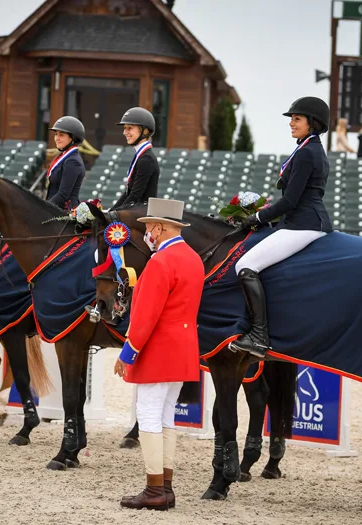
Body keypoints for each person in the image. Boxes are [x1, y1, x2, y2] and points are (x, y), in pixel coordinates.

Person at [114, 198, 203, 510]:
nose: (146, 233)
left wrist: (128, 353)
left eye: (149, 227)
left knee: (149, 414)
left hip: (158, 348)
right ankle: (165, 486)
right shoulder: (192, 258)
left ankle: (154, 490)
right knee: (166, 416)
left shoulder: (160, 262)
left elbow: (145, 315)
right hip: (183, 347)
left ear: (162, 228)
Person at [230, 97, 333, 358]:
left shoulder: (308, 152)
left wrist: (257, 219)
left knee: (245, 265)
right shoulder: (307, 149)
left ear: (313, 123)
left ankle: (258, 336)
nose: (291, 123)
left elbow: (290, 201)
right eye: (291, 118)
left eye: (297, 119)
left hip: (304, 224)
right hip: (299, 221)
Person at [111, 107, 160, 210]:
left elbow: (135, 196)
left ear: (145, 131)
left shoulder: (146, 159)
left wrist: (113, 216)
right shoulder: (141, 156)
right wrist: (110, 212)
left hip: (142, 216)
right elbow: (128, 193)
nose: (125, 132)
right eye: (124, 128)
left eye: (129, 128)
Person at [45, 116, 86, 210]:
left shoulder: (73, 161)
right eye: (56, 134)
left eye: (61, 135)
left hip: (64, 212)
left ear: (73, 138)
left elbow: (63, 194)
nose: (57, 138)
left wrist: (43, 208)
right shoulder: (64, 157)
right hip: (54, 209)